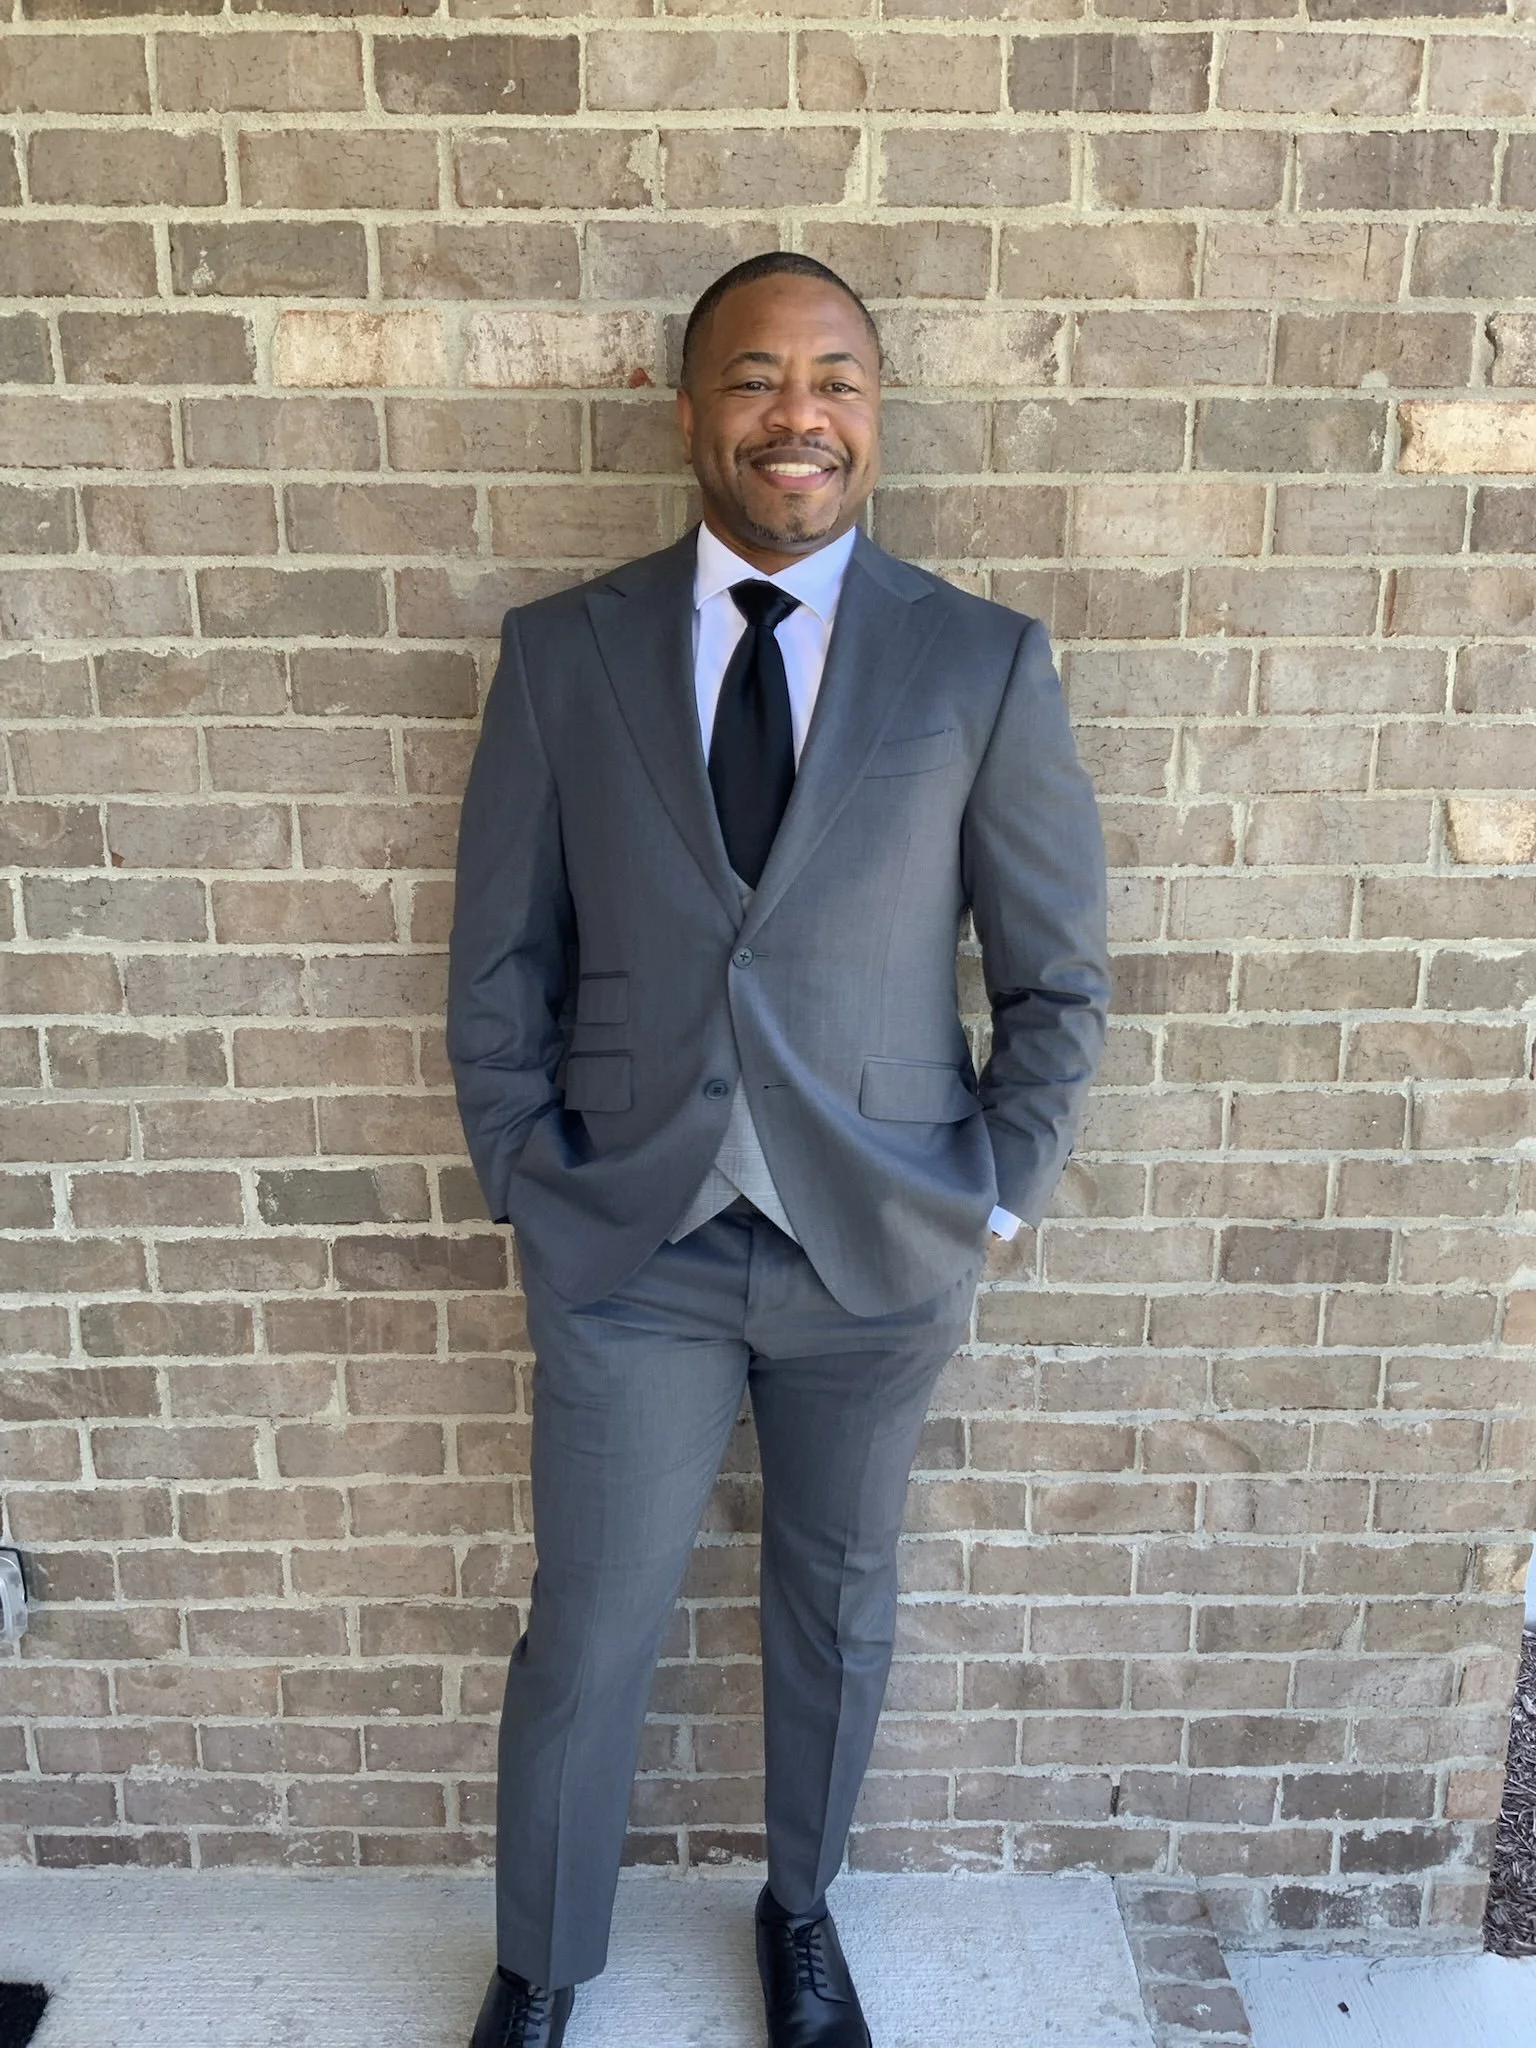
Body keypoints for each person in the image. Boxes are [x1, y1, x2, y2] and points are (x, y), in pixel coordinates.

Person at [447, 251, 1110, 2048]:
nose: (795, 415)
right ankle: (543, 1958)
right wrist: (529, 1172)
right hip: (629, 1248)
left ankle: (802, 1914)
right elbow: (498, 959)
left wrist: (993, 1198)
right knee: (585, 1628)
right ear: (689, 410)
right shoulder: (562, 654)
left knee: (836, 1611)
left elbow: (1057, 982)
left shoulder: (981, 663)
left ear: (874, 416)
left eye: (835, 380)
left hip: (877, 1252)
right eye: (753, 379)